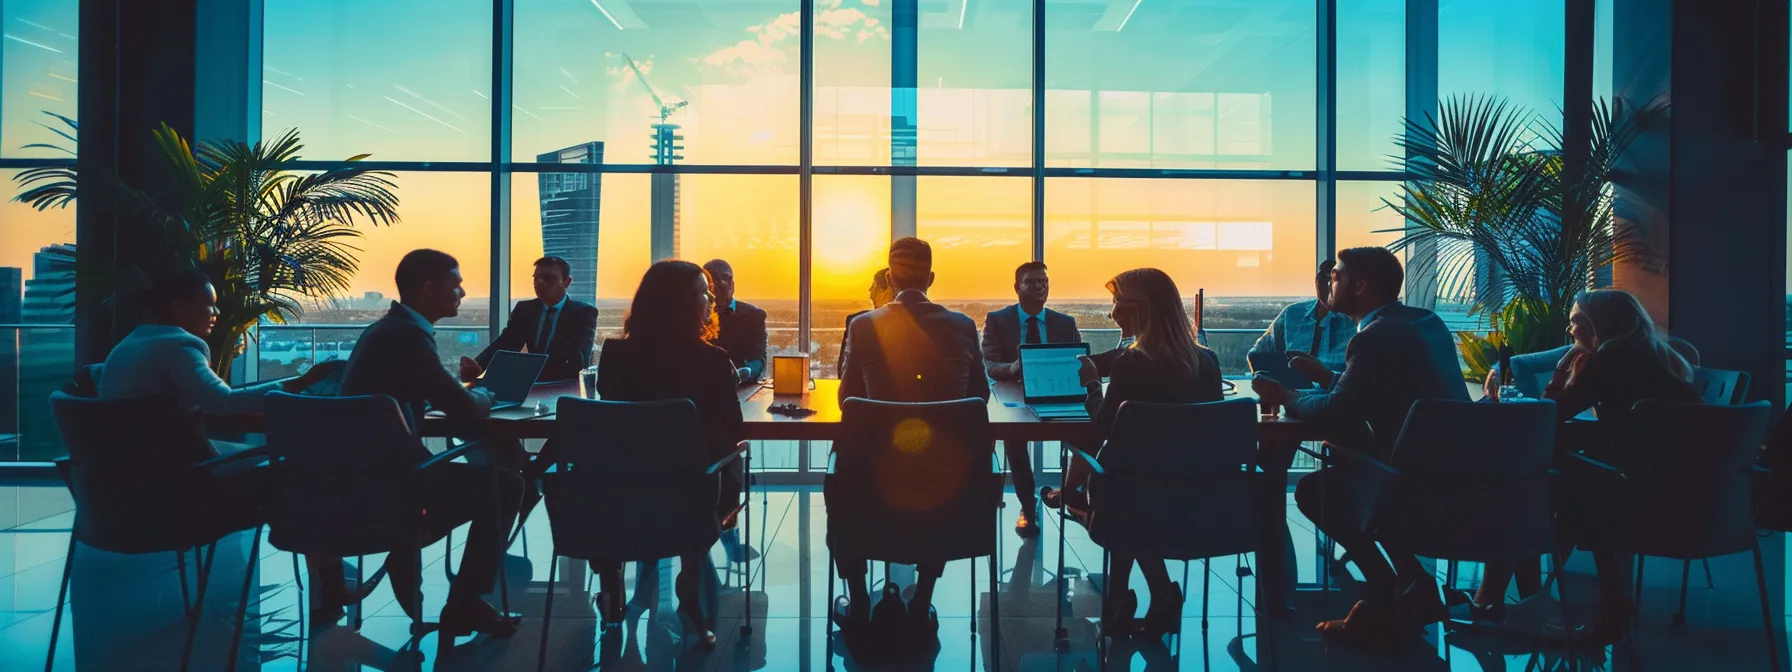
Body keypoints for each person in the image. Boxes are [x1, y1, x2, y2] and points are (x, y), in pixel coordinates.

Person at [1252, 246, 1470, 643]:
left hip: (1409, 484)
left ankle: (1389, 594)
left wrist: (1285, 396)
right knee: (1349, 468)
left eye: (1335, 276)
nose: (1328, 282)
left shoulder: (1374, 336)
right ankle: (1414, 584)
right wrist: (1328, 376)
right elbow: (1376, 391)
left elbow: (1337, 413)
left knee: (1314, 490)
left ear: (1361, 286)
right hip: (1455, 477)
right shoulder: (1424, 322)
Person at [1462, 289, 1697, 643]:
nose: (1570, 332)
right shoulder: (1665, 359)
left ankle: (1503, 600)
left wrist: (1562, 371)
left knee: (1521, 489)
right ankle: (1523, 599)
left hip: (1623, 495)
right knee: (1542, 482)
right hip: (1683, 494)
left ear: (1595, 326)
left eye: (1574, 323)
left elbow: (1550, 414)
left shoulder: (1603, 362)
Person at [327, 249, 524, 637]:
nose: (463, 293)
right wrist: (487, 398)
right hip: (393, 476)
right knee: (507, 485)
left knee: (484, 483)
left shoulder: (386, 330)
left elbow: (432, 391)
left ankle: (408, 543)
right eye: (456, 285)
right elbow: (464, 407)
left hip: (364, 470)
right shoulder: (409, 337)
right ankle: (462, 601)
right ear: (428, 289)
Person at [834, 237, 989, 642]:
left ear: (889, 276)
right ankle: (921, 600)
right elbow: (980, 397)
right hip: (943, 477)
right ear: (932, 278)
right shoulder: (963, 326)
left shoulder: (865, 325)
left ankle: (858, 598)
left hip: (873, 478)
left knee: (840, 475)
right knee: (935, 483)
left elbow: (845, 399)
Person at [592, 259, 746, 649]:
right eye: (704, 292)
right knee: (707, 475)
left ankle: (611, 573)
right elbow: (733, 434)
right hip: (690, 499)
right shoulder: (713, 362)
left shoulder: (613, 355)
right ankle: (689, 589)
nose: (712, 299)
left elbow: (614, 422)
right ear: (682, 303)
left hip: (619, 493)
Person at [1072, 268, 1225, 638]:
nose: (1111, 314)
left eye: (1117, 304)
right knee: (1134, 489)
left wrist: (1093, 384)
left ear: (1141, 309)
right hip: (1196, 496)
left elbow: (1104, 429)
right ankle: (1131, 596)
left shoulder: (1132, 364)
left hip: (1136, 498)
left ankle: (1137, 595)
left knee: (1125, 495)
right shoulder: (1207, 361)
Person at [99, 270, 344, 417]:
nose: (216, 312)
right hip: (169, 467)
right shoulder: (179, 348)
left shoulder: (133, 342)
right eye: (209, 303)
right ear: (178, 307)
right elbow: (224, 403)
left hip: (132, 466)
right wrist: (302, 382)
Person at [980, 261, 1082, 537]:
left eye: (1044, 282)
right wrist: (1012, 369)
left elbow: (1077, 363)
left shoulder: (1065, 323)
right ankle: (1028, 505)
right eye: (1033, 282)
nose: (1040, 287)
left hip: (1056, 393)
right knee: (1014, 438)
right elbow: (989, 364)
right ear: (1017, 287)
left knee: (1087, 431)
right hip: (1015, 394)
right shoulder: (997, 320)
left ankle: (1071, 495)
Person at [462, 256, 599, 383]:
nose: (540, 283)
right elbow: (506, 343)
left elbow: (578, 358)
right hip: (531, 385)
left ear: (567, 282)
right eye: (536, 278)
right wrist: (478, 365)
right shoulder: (526, 309)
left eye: (549, 278)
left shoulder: (583, 313)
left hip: (566, 386)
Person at [1247, 259, 1355, 390]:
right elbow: (1258, 355)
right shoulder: (1292, 314)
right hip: (1293, 402)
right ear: (1316, 282)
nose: (1325, 283)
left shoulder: (1357, 322)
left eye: (1333, 279)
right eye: (1321, 276)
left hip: (1339, 403)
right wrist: (1278, 388)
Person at [703, 259, 769, 385]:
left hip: (740, 388)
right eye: (712, 290)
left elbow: (758, 359)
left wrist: (744, 373)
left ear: (732, 286)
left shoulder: (753, 316)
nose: (716, 297)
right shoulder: (695, 315)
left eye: (721, 289)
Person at [838, 268, 894, 375]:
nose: (870, 290)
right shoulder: (854, 322)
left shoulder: (858, 324)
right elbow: (843, 372)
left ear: (885, 291)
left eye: (874, 285)